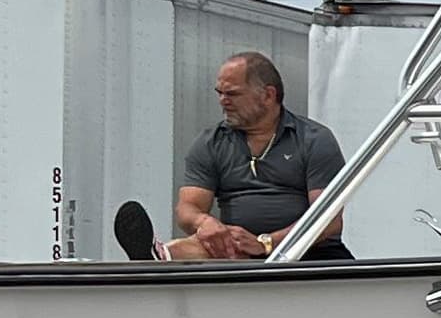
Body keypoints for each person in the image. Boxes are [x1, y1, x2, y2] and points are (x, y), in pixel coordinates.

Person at [149, 54, 351, 261]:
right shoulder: (211, 142)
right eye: (220, 93)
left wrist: (266, 243)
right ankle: (159, 256)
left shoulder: (313, 139)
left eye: (233, 94)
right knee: (191, 247)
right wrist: (204, 223)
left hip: (311, 251)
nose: (223, 101)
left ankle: (161, 256)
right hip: (237, 251)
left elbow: (328, 219)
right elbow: (188, 207)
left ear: (268, 95)